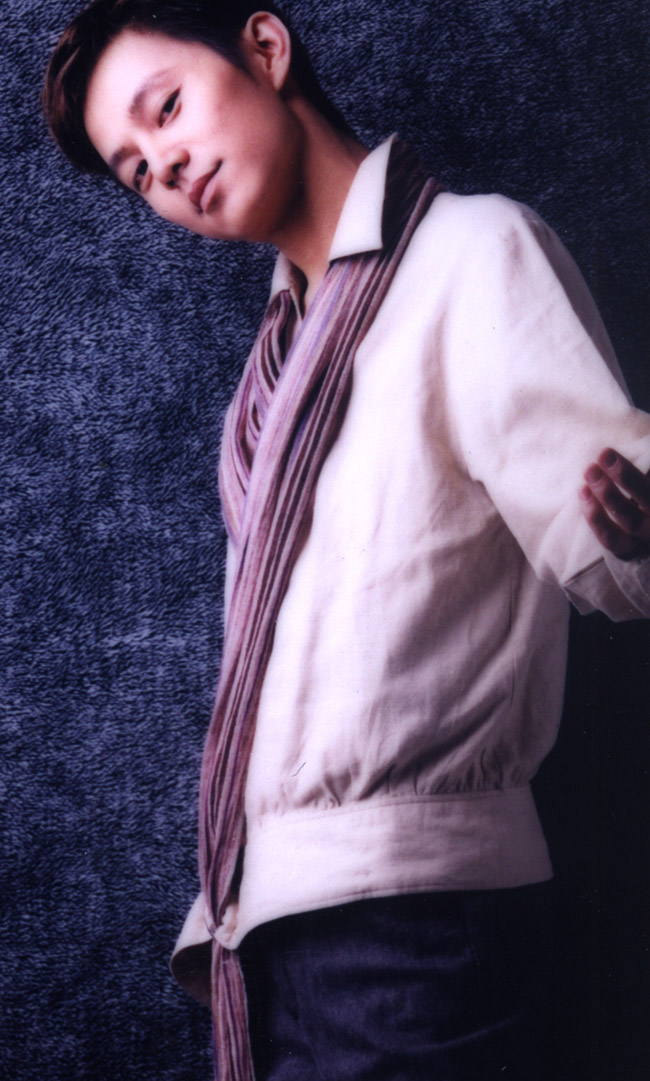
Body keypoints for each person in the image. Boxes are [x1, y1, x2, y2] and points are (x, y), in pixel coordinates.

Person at [43, 2, 650, 1078]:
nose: (165, 168)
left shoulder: (472, 254)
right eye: (136, 172)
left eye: (166, 109)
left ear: (265, 50)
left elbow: (610, 558)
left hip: (420, 926)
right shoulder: (269, 379)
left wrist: (635, 524)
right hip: (272, 934)